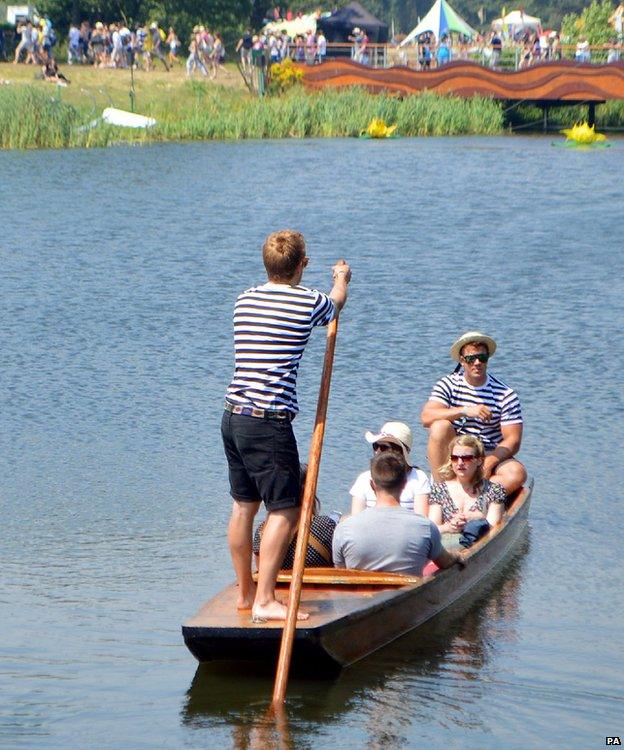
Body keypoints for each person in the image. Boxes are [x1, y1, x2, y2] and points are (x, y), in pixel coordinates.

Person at [222, 229, 351, 622]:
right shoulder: (309, 301)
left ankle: (246, 594)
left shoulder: (244, 299)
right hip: (269, 421)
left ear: (266, 264)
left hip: (233, 416)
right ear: (302, 264)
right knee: (287, 510)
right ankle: (265, 599)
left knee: (244, 507)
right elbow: (337, 304)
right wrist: (341, 278)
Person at [421, 331, 526, 495]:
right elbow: (427, 417)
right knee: (439, 427)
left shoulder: (505, 394)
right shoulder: (448, 384)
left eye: (482, 358)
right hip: (457, 454)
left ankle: (480, 497)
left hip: (489, 451)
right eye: (471, 358)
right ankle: (442, 493)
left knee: (516, 473)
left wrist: (489, 462)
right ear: (462, 361)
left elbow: (513, 440)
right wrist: (465, 411)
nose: (477, 363)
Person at [333, 453, 464, 575]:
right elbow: (446, 562)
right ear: (404, 484)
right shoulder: (426, 527)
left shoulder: (344, 528)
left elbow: (341, 572)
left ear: (372, 485)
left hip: (359, 597)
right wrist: (457, 555)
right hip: (409, 595)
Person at [253, 465, 339, 569]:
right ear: (309, 492)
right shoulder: (326, 525)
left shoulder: (263, 531)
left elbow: (259, 571)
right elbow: (337, 564)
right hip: (315, 584)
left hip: (276, 585)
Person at [429, 435, 505, 537]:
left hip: (478, 543)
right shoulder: (439, 490)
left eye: (466, 458)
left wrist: (479, 518)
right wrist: (448, 527)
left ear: (479, 461)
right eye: (455, 458)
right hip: (446, 545)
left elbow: (493, 530)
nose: (460, 463)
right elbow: (432, 528)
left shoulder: (494, 490)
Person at [350, 421, 430, 516]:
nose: (377, 451)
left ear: (400, 451)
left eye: (384, 447)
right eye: (376, 446)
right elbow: (356, 517)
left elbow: (421, 519)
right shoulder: (364, 478)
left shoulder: (418, 478)